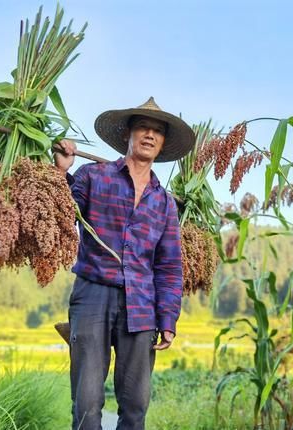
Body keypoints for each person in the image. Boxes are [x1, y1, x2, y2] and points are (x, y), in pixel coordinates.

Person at [54, 97, 195, 430]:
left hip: (142, 304)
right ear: (127, 134)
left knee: (135, 405)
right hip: (93, 294)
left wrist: (168, 318)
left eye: (157, 131)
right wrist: (61, 171)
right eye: (143, 127)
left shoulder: (163, 202)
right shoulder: (94, 176)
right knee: (87, 402)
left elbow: (169, 266)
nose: (150, 135)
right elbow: (60, 215)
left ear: (163, 143)